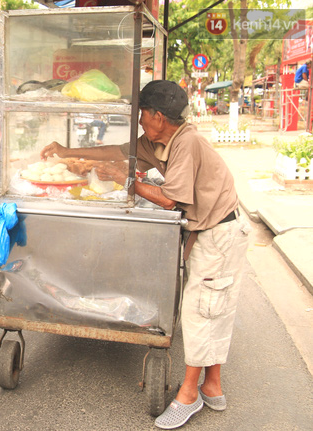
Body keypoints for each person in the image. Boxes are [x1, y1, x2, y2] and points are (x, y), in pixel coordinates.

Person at [40, 80, 251, 430]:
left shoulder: (187, 142)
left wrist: (127, 181)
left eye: (142, 114)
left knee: (202, 310)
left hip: (221, 234)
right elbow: (118, 151)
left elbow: (170, 199)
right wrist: (65, 150)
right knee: (213, 307)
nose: (139, 120)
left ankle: (189, 394)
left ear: (158, 116)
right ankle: (212, 384)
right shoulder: (160, 140)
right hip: (208, 230)